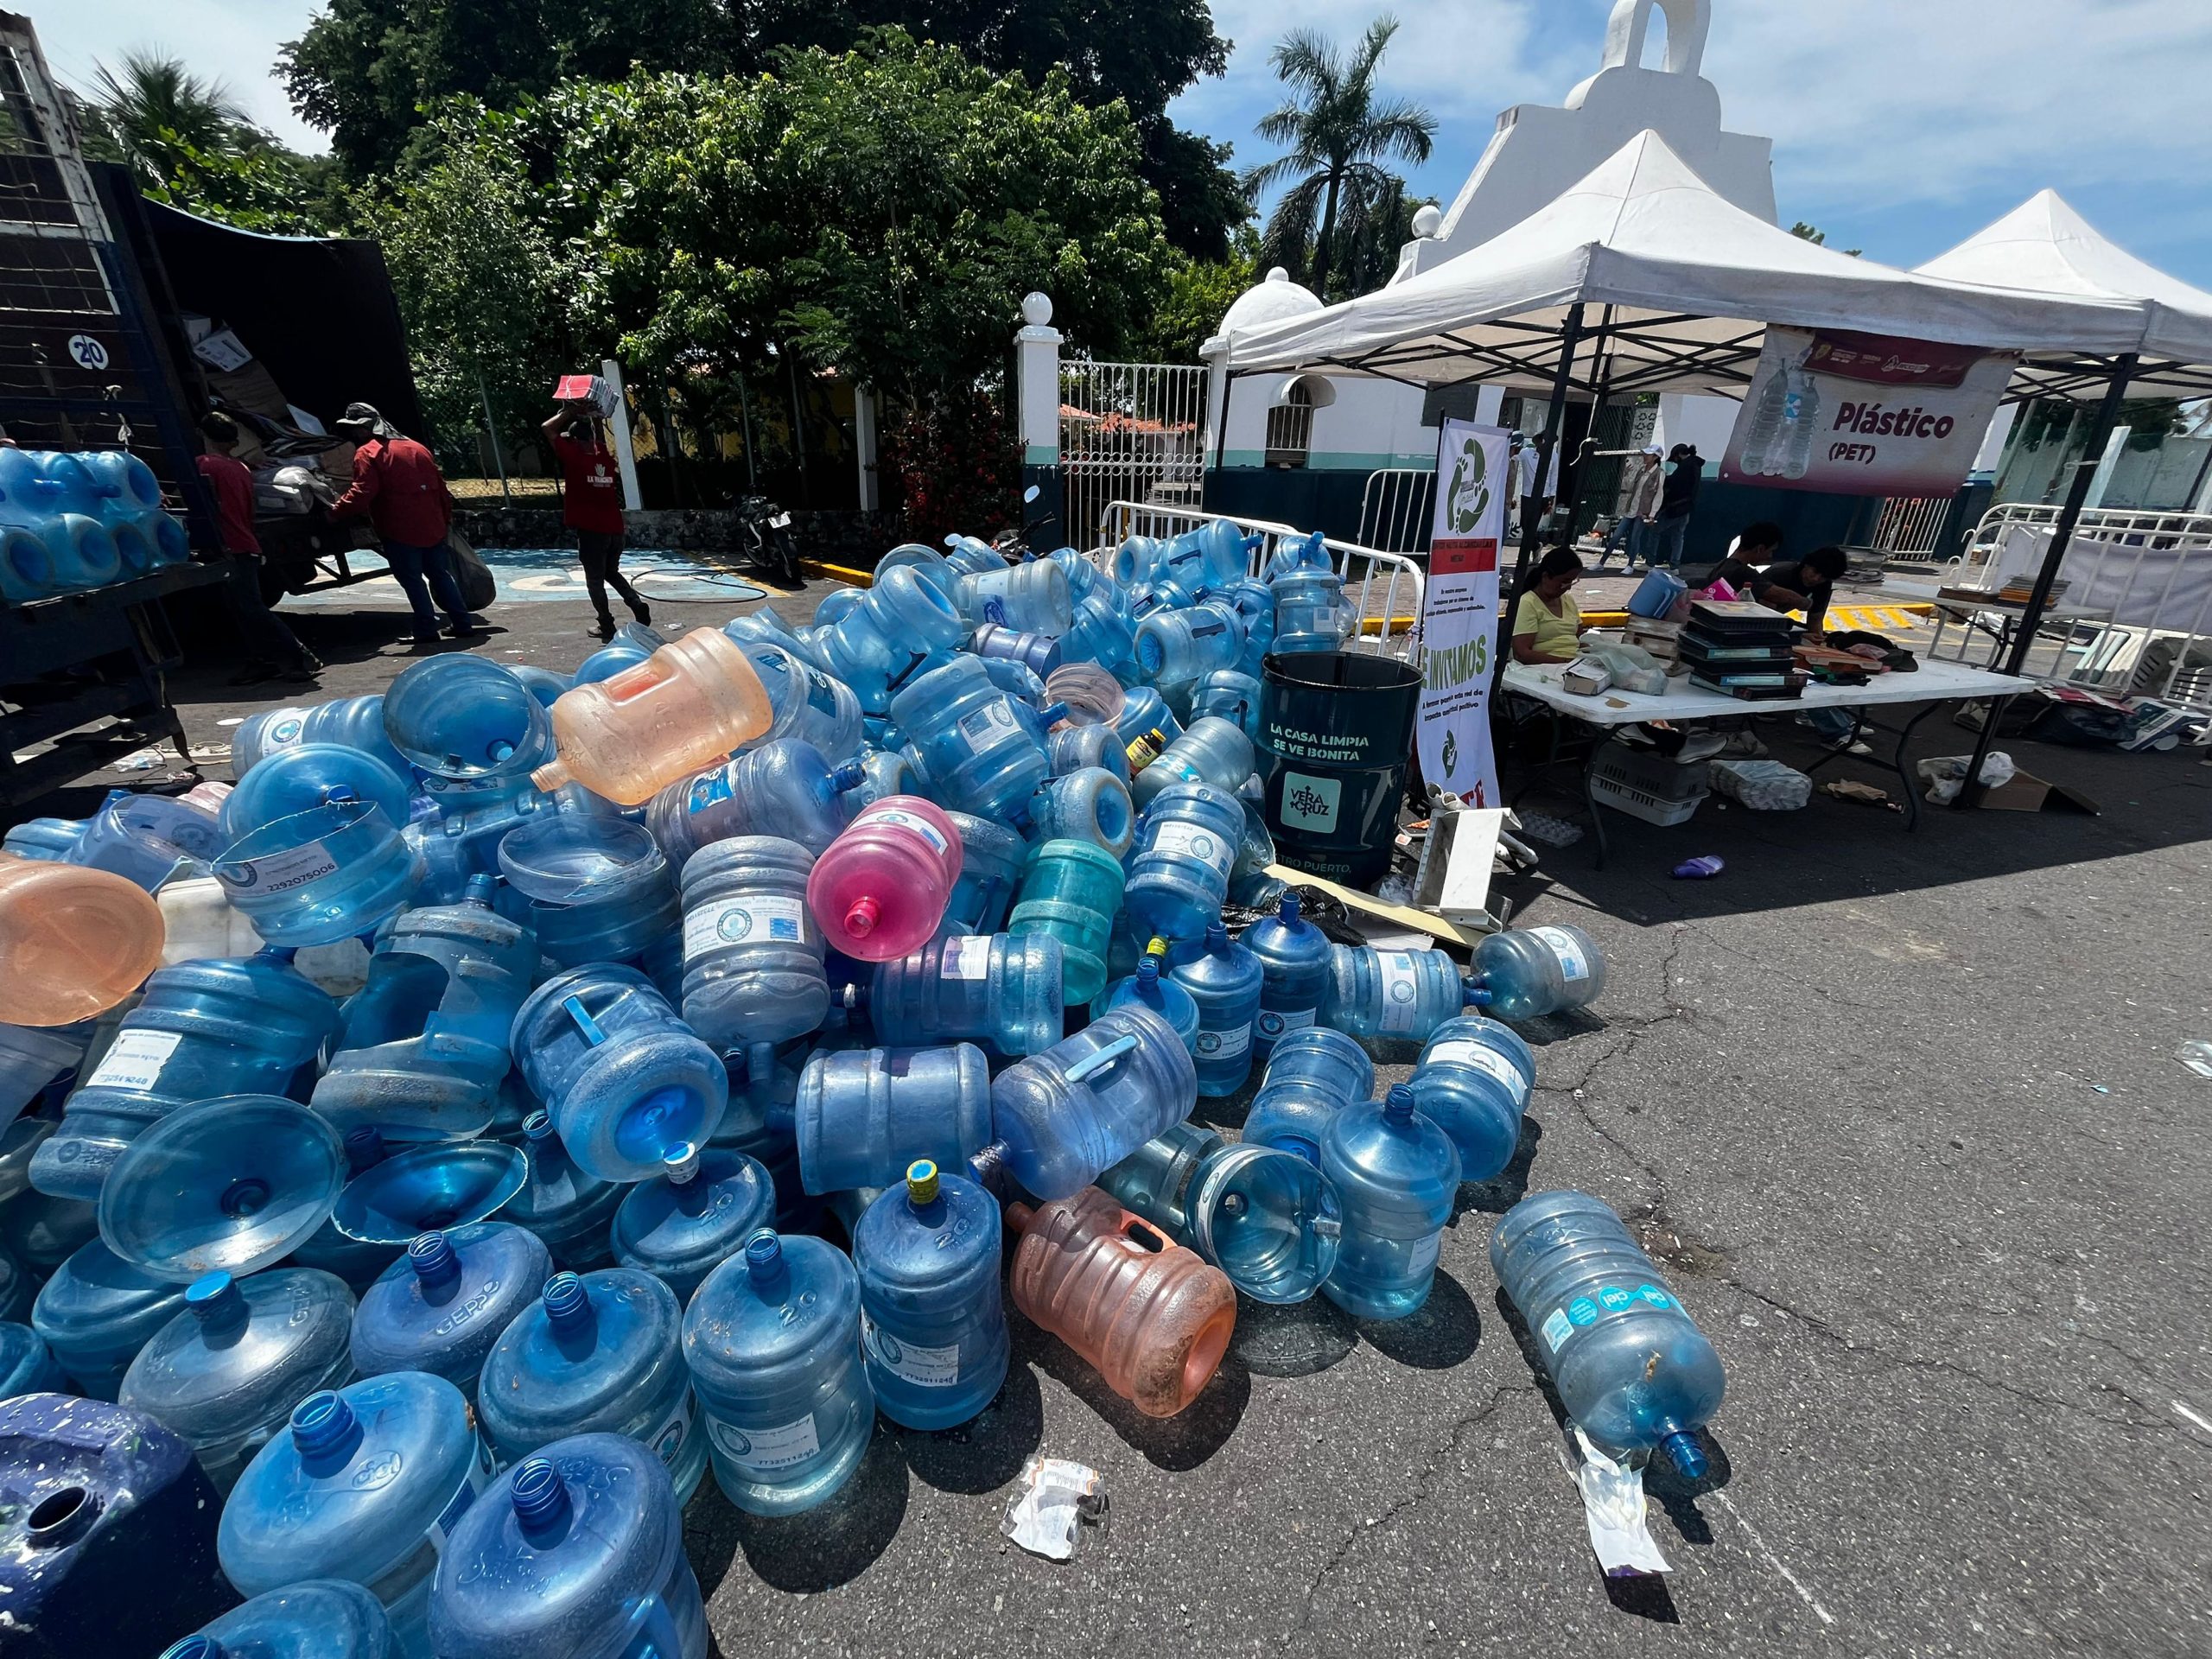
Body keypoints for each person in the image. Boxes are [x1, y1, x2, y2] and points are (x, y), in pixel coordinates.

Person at [328, 401, 480, 645]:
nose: (355, 434)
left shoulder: (368, 452)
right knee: (439, 575)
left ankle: (426, 629)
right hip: (432, 525)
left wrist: (335, 512)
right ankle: (462, 623)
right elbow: (442, 490)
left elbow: (362, 492)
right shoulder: (418, 448)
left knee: (412, 579)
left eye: (356, 429)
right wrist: (444, 519)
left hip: (399, 528)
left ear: (364, 428)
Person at [197, 413, 320, 685]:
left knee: (251, 608)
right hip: (246, 541)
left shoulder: (205, 466)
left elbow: (203, 506)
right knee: (242, 608)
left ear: (205, 436)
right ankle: (262, 660)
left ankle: (297, 655)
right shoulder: (240, 467)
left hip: (230, 546)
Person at [542, 396, 650, 640]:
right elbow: (593, 437)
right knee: (611, 571)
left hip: (592, 531)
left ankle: (606, 624)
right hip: (615, 528)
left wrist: (570, 411)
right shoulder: (604, 456)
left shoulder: (575, 457)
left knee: (594, 581)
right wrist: (591, 413)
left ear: (575, 441)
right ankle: (635, 603)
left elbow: (547, 429)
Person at [1713, 537, 1847, 639]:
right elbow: (1764, 615)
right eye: (1815, 572)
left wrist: (1817, 641)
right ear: (1806, 564)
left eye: (1823, 577)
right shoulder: (1781, 573)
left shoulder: (1823, 585)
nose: (1816, 579)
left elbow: (1816, 618)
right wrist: (1802, 635)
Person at [1510, 547, 1589, 665]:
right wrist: (1567, 662)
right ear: (1546, 577)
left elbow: (1580, 638)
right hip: (1545, 668)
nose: (1568, 587)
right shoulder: (1528, 603)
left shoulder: (1568, 600)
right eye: (1564, 581)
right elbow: (1522, 654)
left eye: (1572, 581)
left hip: (1573, 663)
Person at [1593, 445, 1662, 570]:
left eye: (1649, 455)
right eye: (1645, 454)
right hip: (1631, 509)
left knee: (1635, 538)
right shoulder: (1641, 470)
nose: (1645, 457)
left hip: (1643, 512)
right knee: (1616, 536)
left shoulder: (1659, 474)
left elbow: (1659, 495)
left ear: (1655, 457)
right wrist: (1625, 474)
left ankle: (1630, 565)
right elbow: (1631, 489)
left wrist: (1652, 514)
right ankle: (1601, 563)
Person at [1648, 442, 1702, 569]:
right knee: (1678, 536)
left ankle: (1650, 562)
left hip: (1676, 506)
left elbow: (1675, 484)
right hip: (1686, 507)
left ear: (1678, 455)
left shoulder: (1686, 466)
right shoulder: (1695, 465)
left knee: (1655, 531)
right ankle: (1675, 566)